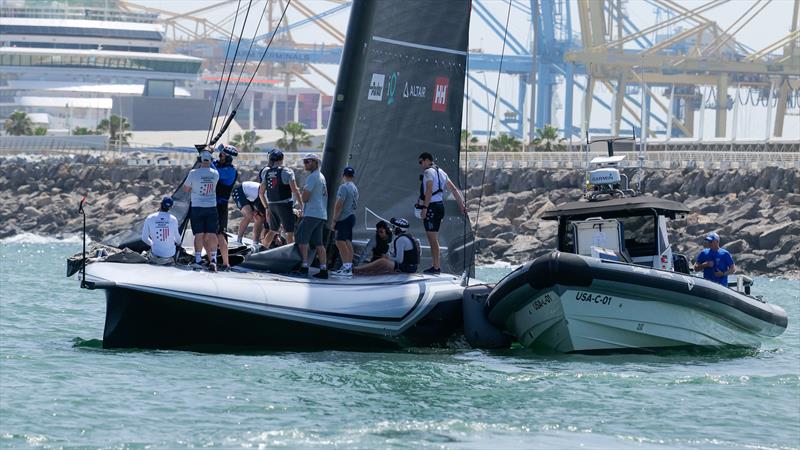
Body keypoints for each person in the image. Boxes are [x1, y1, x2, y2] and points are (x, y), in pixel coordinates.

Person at [416, 152, 467, 274]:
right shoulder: (441, 172)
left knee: (432, 239)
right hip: (440, 207)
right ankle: (436, 266)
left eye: (421, 162)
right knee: (434, 238)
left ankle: (436, 267)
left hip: (432, 207)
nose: (420, 165)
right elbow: (454, 189)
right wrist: (461, 205)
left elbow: (429, 190)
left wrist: (425, 208)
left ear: (427, 160)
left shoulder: (428, 172)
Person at [183, 150, 219, 271]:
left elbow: (186, 189)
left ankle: (198, 260)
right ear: (211, 160)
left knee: (199, 234)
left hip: (197, 207)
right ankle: (213, 259)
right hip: (211, 207)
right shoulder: (215, 173)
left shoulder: (193, 173)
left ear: (199, 160)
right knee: (212, 234)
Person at [259, 149, 303, 246]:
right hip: (284, 205)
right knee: (289, 232)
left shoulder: (267, 173)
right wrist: (302, 205)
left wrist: (266, 207)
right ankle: (290, 255)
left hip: (271, 205)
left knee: (273, 230)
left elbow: (261, 192)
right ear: (282, 158)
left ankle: (263, 248)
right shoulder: (287, 171)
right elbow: (295, 190)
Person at [295, 153, 329, 279]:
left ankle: (304, 266)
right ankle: (323, 269)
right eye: (304, 162)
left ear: (315, 162)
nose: (305, 164)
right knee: (319, 243)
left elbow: (305, 198)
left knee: (301, 239)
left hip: (312, 213)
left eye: (307, 162)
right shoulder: (321, 176)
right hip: (321, 214)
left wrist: (303, 191)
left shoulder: (312, 177)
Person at [353, 218, 419, 275]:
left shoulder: (400, 240)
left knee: (383, 261)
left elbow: (399, 260)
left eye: (394, 227)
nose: (392, 229)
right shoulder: (405, 237)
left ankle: (357, 269)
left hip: (408, 268)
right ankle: (364, 270)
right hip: (410, 266)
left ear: (398, 229)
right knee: (383, 263)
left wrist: (387, 257)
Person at [213, 144, 239, 270]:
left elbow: (214, 173)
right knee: (210, 232)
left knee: (220, 234)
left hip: (221, 205)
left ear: (228, 157)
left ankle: (225, 263)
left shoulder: (230, 170)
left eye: (222, 154)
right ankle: (211, 258)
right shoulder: (217, 164)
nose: (219, 156)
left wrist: (206, 161)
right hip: (211, 203)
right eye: (220, 154)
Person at [330, 166, 359, 279]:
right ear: (353, 176)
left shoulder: (343, 187)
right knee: (347, 242)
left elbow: (339, 204)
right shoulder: (354, 187)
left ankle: (346, 268)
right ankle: (348, 266)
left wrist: (334, 220)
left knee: (339, 241)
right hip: (351, 216)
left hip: (344, 218)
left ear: (343, 175)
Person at [141, 196, 181, 265]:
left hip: (156, 254)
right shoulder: (173, 219)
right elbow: (178, 240)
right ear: (171, 207)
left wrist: (153, 244)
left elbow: (144, 238)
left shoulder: (150, 218)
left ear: (160, 204)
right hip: (170, 255)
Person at [232, 180, 266, 245]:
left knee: (259, 218)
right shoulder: (265, 196)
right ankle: (239, 240)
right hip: (239, 190)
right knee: (249, 215)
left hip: (253, 196)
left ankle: (255, 242)